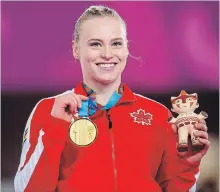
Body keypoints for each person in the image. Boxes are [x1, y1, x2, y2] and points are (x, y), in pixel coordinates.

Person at [14, 5, 210, 192]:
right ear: (76, 49)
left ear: (126, 49)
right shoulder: (50, 109)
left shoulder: (157, 115)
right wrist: (55, 128)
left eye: (116, 43)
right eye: (95, 44)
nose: (107, 54)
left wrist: (187, 164)